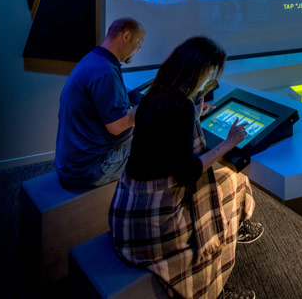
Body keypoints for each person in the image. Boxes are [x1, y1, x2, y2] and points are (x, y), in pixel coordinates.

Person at [109, 36, 262, 299]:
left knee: (228, 181)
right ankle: (214, 288)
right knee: (232, 182)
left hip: (125, 212)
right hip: (156, 225)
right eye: (211, 74)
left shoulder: (155, 94)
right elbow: (188, 172)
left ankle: (238, 227)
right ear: (199, 72)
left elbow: (163, 140)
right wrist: (229, 143)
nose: (210, 81)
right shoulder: (180, 107)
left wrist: (195, 116)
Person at [54, 17, 145, 188]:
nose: (139, 47)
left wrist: (142, 99)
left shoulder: (94, 60)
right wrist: (153, 107)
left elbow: (120, 95)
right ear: (126, 36)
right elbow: (117, 126)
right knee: (159, 149)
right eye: (139, 42)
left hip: (71, 161)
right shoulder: (105, 72)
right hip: (89, 168)